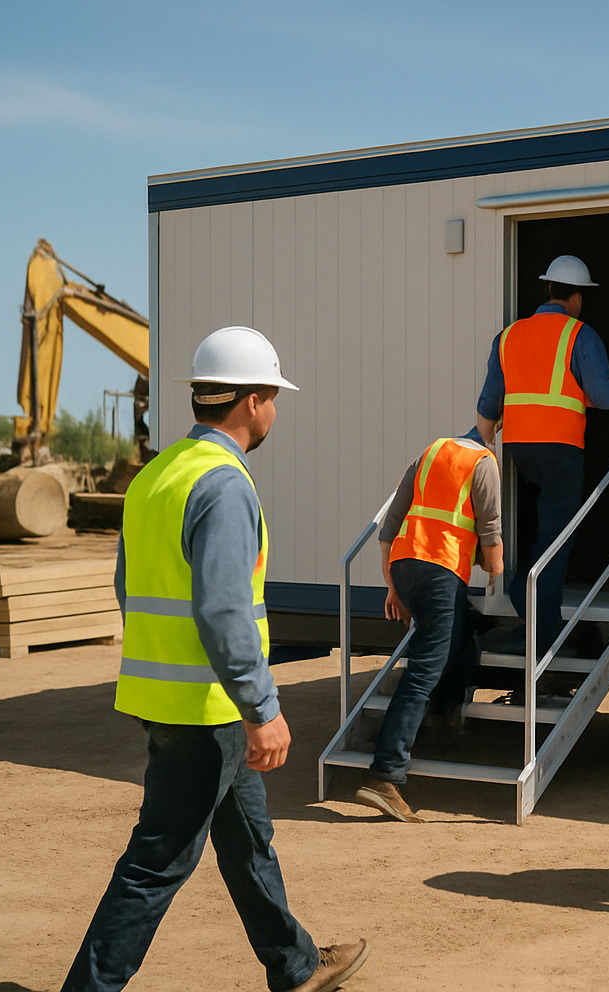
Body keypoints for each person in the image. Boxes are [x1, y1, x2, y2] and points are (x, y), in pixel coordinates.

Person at [63, 327, 368, 992]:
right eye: (273, 397)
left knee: (248, 839)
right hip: (207, 708)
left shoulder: (157, 474)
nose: (275, 410)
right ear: (252, 401)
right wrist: (262, 708)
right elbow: (225, 610)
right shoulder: (224, 484)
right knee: (155, 864)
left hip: (171, 699)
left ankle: (295, 965)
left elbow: (128, 586)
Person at [476, 254, 609, 660]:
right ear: (577, 297)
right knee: (557, 537)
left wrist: (482, 449)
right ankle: (539, 621)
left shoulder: (508, 336)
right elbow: (602, 395)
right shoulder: (580, 334)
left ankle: (528, 598)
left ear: (548, 289)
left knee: (543, 527)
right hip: (560, 449)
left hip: (518, 449)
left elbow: (489, 404)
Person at [354, 429, 503, 822]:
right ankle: (385, 774)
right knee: (422, 672)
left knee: (461, 636)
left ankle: (444, 718)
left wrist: (393, 587)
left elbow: (389, 528)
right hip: (441, 571)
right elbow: (491, 535)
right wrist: (497, 571)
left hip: (405, 566)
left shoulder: (431, 453)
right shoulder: (484, 464)